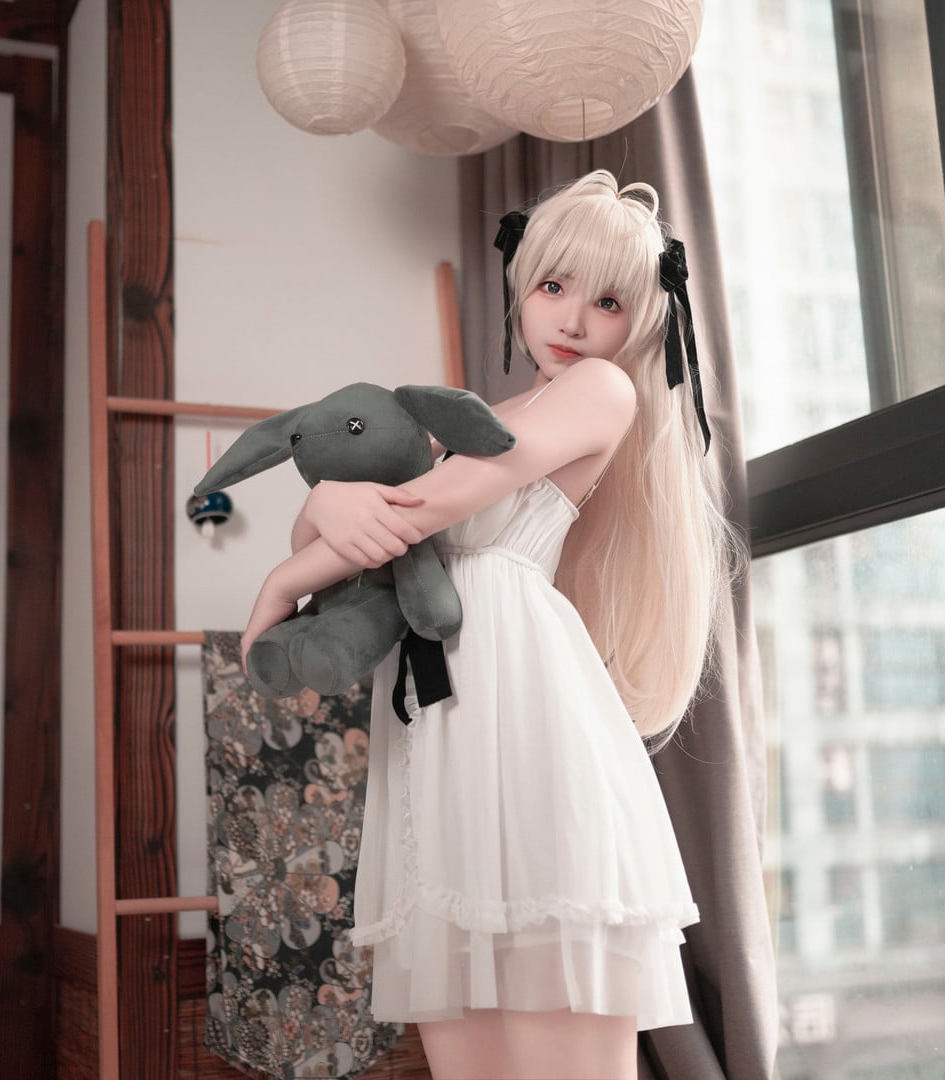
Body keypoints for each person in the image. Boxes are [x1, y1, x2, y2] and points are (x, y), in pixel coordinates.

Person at [239, 170, 741, 1080]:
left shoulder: (601, 390)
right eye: (552, 285)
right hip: (443, 727)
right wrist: (328, 510)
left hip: (525, 713)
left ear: (639, 321)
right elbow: (358, 533)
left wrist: (286, 576)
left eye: (608, 302)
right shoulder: (478, 416)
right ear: (521, 284)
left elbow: (422, 510)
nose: (574, 320)